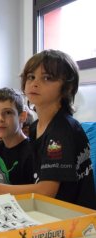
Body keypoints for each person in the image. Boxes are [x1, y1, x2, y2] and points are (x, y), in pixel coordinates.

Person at [21, 49, 95, 209]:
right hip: (50, 210)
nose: (34, 83)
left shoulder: (61, 130)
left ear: (67, 88)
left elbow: (47, 190)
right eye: (31, 77)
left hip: (75, 219)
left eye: (47, 78)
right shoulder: (35, 128)